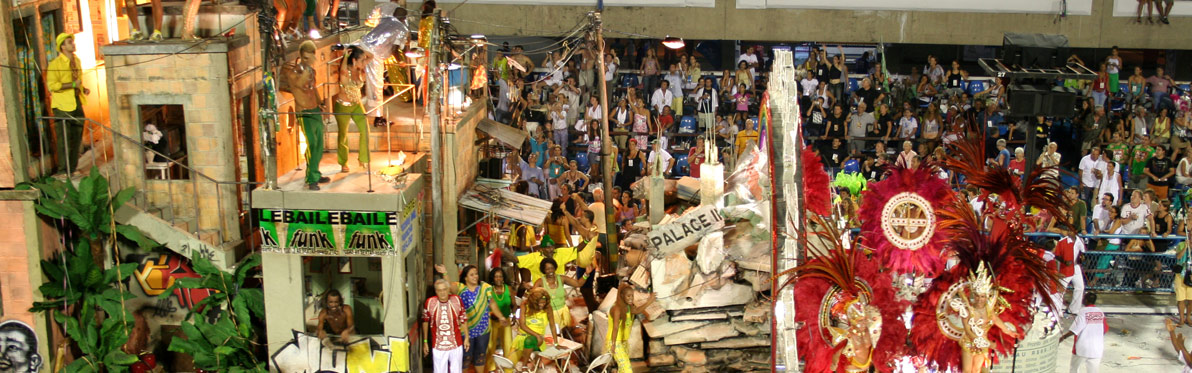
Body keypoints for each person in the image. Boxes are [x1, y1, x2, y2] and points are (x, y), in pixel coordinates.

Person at [431, 265, 509, 373]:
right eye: (471, 275)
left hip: (483, 329)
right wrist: (445, 273)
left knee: (481, 355)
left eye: (476, 274)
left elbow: (492, 303)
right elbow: (449, 286)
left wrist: (501, 317)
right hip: (465, 330)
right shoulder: (461, 288)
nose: (475, 276)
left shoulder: (485, 287)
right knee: (465, 357)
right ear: (465, 277)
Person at [282, 41, 332, 190]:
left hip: (315, 110)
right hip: (304, 113)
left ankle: (315, 173)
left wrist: (321, 103)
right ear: (302, 56)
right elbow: (300, 84)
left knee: (319, 145)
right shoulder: (293, 73)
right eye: (306, 58)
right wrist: (308, 67)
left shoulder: (312, 72)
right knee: (311, 143)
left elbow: (313, 88)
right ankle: (311, 179)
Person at [47, 33, 88, 175]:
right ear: (63, 46)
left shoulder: (76, 61)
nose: (73, 44)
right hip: (62, 105)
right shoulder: (55, 64)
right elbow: (52, 85)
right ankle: (63, 170)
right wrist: (72, 85)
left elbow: (79, 80)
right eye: (70, 42)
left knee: (77, 137)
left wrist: (83, 89)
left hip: (76, 102)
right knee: (64, 138)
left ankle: (72, 167)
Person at [335, 46, 371, 173]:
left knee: (365, 129)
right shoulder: (346, 72)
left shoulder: (359, 69)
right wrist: (345, 55)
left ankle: (364, 159)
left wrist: (360, 49)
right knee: (343, 135)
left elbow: (371, 56)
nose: (364, 62)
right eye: (361, 60)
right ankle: (343, 162)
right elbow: (342, 69)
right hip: (343, 106)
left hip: (357, 104)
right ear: (354, 60)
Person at [423, 279, 468, 373]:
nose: (442, 293)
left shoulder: (456, 300)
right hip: (438, 345)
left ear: (448, 290)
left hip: (456, 344)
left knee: (457, 371)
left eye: (444, 289)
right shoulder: (430, 302)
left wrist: (467, 338)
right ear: (436, 292)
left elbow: (463, 318)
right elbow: (425, 321)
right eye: (439, 290)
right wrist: (425, 341)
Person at [511, 287, 560, 368]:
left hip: (538, 340)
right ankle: (535, 362)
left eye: (544, 303)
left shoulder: (548, 308)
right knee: (509, 364)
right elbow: (522, 325)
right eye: (540, 303)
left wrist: (556, 343)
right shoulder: (525, 305)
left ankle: (524, 366)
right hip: (521, 337)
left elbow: (552, 325)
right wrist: (536, 335)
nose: (542, 305)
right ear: (534, 302)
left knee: (529, 341)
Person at [1060, 293, 1106, 373]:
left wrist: (1063, 337)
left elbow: (1076, 329)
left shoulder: (1083, 312)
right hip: (1097, 348)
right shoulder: (1100, 312)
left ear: (1086, 300)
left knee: (1074, 369)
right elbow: (1105, 329)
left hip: (1083, 346)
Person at [484, 268, 515, 373]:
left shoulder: (508, 289)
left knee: (508, 345)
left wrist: (514, 315)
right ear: (493, 278)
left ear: (503, 278)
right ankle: (490, 368)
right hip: (492, 321)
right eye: (496, 276)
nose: (498, 278)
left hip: (506, 320)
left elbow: (514, 305)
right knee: (490, 346)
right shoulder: (489, 289)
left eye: (500, 276)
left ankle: (508, 369)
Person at [606, 284, 642, 373]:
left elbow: (637, 311)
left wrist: (650, 301)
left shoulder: (628, 306)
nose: (631, 298)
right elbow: (615, 327)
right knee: (627, 370)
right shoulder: (616, 308)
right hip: (615, 342)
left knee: (622, 369)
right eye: (628, 296)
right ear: (622, 296)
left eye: (632, 296)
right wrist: (613, 344)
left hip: (623, 341)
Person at [1055, 224, 1086, 314]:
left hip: (1076, 267)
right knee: (1061, 289)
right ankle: (1057, 309)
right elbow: (1057, 255)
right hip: (1066, 267)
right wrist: (1064, 261)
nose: (1070, 232)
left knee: (1080, 287)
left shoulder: (1080, 240)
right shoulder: (1062, 242)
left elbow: (1082, 251)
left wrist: (1081, 257)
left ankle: (1074, 309)